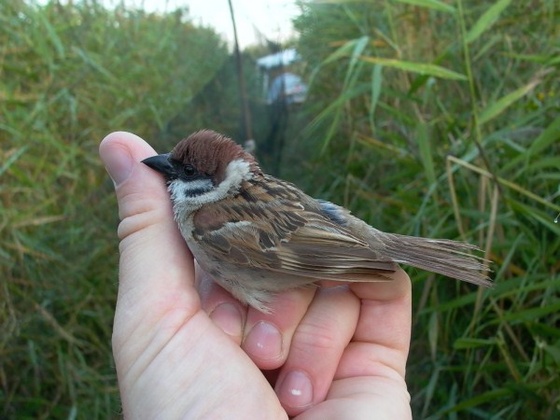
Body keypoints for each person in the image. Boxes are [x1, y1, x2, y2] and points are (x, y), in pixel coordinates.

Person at [99, 131, 413, 419]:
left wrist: (361, 257)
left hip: (327, 245)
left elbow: (295, 251)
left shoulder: (207, 219)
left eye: (188, 173)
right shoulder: (217, 209)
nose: (168, 168)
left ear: (217, 180)